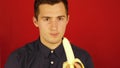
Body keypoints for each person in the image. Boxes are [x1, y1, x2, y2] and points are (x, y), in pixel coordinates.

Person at [5, 0, 94, 68]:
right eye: (47, 19)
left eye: (60, 18)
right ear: (35, 21)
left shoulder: (83, 59)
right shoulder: (18, 59)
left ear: (67, 19)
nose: (54, 27)